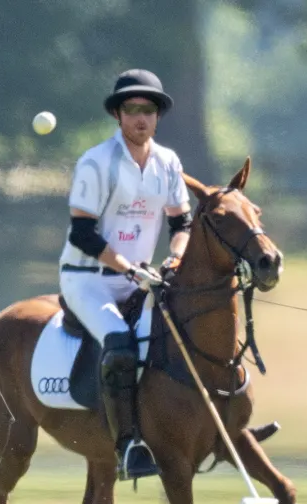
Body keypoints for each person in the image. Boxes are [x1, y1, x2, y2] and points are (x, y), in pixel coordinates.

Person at [59, 69, 192, 481]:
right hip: (87, 278)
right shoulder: (96, 162)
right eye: (132, 110)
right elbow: (83, 233)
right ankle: (128, 446)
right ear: (118, 115)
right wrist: (130, 268)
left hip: (142, 278)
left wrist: (173, 260)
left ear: (157, 117)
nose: (141, 119)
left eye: (148, 111)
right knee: (119, 346)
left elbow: (182, 224)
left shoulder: (168, 163)